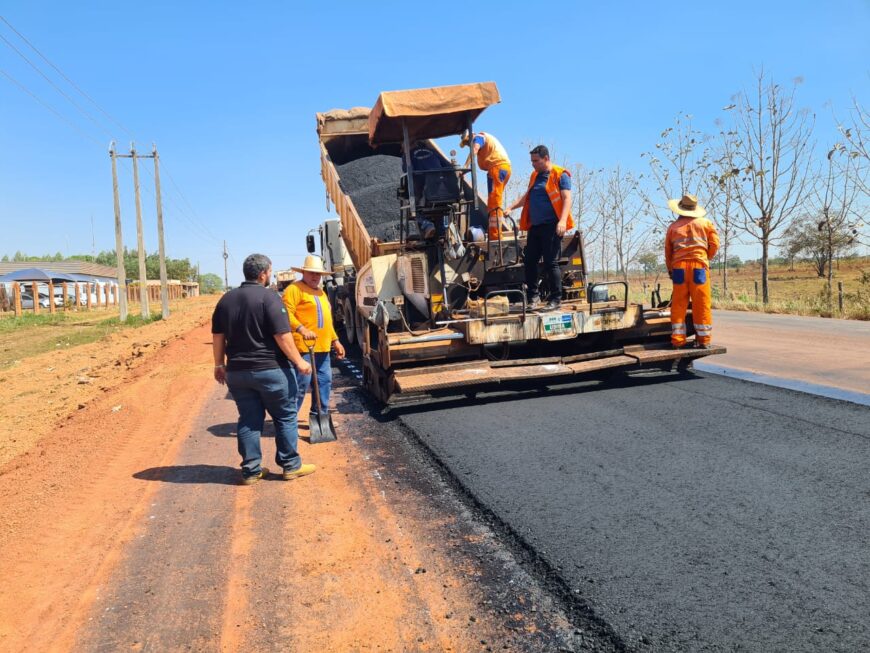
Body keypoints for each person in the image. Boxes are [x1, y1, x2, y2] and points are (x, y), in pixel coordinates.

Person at [211, 253, 314, 485]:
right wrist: (299, 362)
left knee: (249, 419)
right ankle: (291, 466)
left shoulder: (226, 300)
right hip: (271, 370)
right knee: (285, 416)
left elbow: (218, 336)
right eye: (269, 271)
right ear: (262, 274)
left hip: (237, 373)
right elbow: (282, 335)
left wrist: (219, 364)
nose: (270, 275)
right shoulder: (269, 298)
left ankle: (251, 471)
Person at [506, 145, 573, 311]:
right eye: (532, 161)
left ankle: (555, 299)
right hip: (535, 226)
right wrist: (511, 207)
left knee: (551, 262)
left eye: (536, 161)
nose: (533, 164)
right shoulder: (535, 175)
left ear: (546, 158)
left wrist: (562, 221)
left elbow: (567, 199)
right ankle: (533, 297)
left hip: (552, 225)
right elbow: (527, 197)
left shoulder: (560, 174)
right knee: (530, 261)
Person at [282, 255, 346, 426]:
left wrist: (335, 341)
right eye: (311, 273)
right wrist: (301, 329)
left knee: (324, 382)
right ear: (303, 272)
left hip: (323, 348)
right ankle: (289, 421)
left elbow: (327, 321)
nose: (315, 277)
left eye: (318, 274)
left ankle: (320, 417)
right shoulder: (294, 289)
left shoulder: (321, 293)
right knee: (301, 385)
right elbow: (285, 314)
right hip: (303, 348)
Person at [664, 194, 720, 349]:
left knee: (678, 304)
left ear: (680, 209)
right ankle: (704, 340)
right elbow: (715, 244)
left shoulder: (673, 227)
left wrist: (671, 270)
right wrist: (705, 258)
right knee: (701, 304)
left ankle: (678, 340)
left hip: (679, 268)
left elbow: (668, 252)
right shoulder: (706, 223)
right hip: (699, 268)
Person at [461, 131, 511, 239]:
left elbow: (474, 149)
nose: (468, 145)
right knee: (493, 201)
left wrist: (465, 167)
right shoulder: (483, 140)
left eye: (467, 142)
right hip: (498, 169)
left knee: (494, 203)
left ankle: (495, 236)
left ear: (472, 136)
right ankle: (493, 231)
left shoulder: (478, 137)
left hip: (497, 168)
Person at [401, 141, 442, 239]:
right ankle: (441, 231)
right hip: (443, 192)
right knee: (442, 209)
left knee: (413, 208)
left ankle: (428, 225)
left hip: (426, 193)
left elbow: (408, 171)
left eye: (402, 148)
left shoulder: (408, 156)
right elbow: (447, 166)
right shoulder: (433, 152)